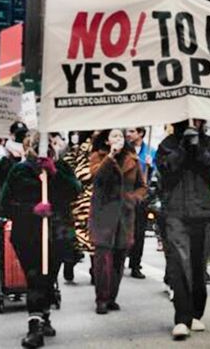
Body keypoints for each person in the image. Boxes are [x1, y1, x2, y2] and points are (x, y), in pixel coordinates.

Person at [0, 131, 81, 348]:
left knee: (49, 276)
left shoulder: (61, 167)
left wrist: (55, 173)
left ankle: (44, 315)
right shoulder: (20, 170)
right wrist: (31, 210)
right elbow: (5, 203)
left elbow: (75, 191)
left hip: (58, 232)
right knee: (35, 276)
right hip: (28, 234)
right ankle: (34, 326)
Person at [156, 119, 210, 340]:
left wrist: (198, 149)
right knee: (178, 263)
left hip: (203, 212)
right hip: (176, 212)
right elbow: (165, 170)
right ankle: (181, 318)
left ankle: (196, 311)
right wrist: (183, 149)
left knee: (198, 264)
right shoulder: (168, 144)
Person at [89, 129, 147, 314]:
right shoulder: (97, 157)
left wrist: (134, 199)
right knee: (102, 258)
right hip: (103, 213)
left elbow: (142, 186)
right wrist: (110, 157)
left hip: (125, 214)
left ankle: (112, 297)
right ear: (107, 141)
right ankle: (101, 298)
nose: (118, 139)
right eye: (114, 136)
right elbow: (96, 177)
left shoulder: (133, 160)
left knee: (119, 257)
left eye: (120, 136)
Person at [62, 131, 96, 283]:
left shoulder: (103, 151)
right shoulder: (75, 151)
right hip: (78, 198)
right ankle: (70, 262)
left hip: (96, 198)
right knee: (78, 234)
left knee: (94, 236)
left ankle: (95, 270)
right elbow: (67, 170)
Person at [126, 127, 155, 280]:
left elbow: (157, 174)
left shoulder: (151, 151)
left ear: (141, 133)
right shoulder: (124, 150)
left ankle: (135, 264)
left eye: (132, 131)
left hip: (141, 196)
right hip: (125, 195)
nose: (128, 134)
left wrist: (151, 166)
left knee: (139, 232)